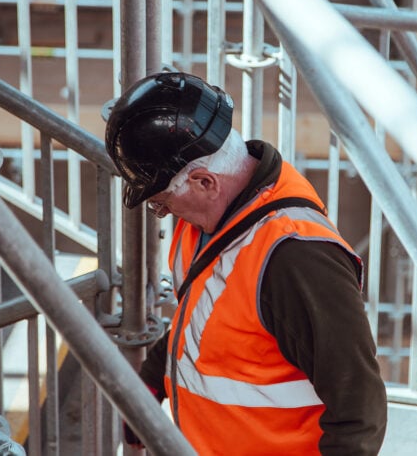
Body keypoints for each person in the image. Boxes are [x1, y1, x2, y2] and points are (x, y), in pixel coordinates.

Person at [105, 71, 387, 455]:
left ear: (205, 182)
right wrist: (155, 377)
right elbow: (210, 320)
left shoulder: (296, 258)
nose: (164, 211)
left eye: (161, 202)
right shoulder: (208, 225)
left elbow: (360, 410)